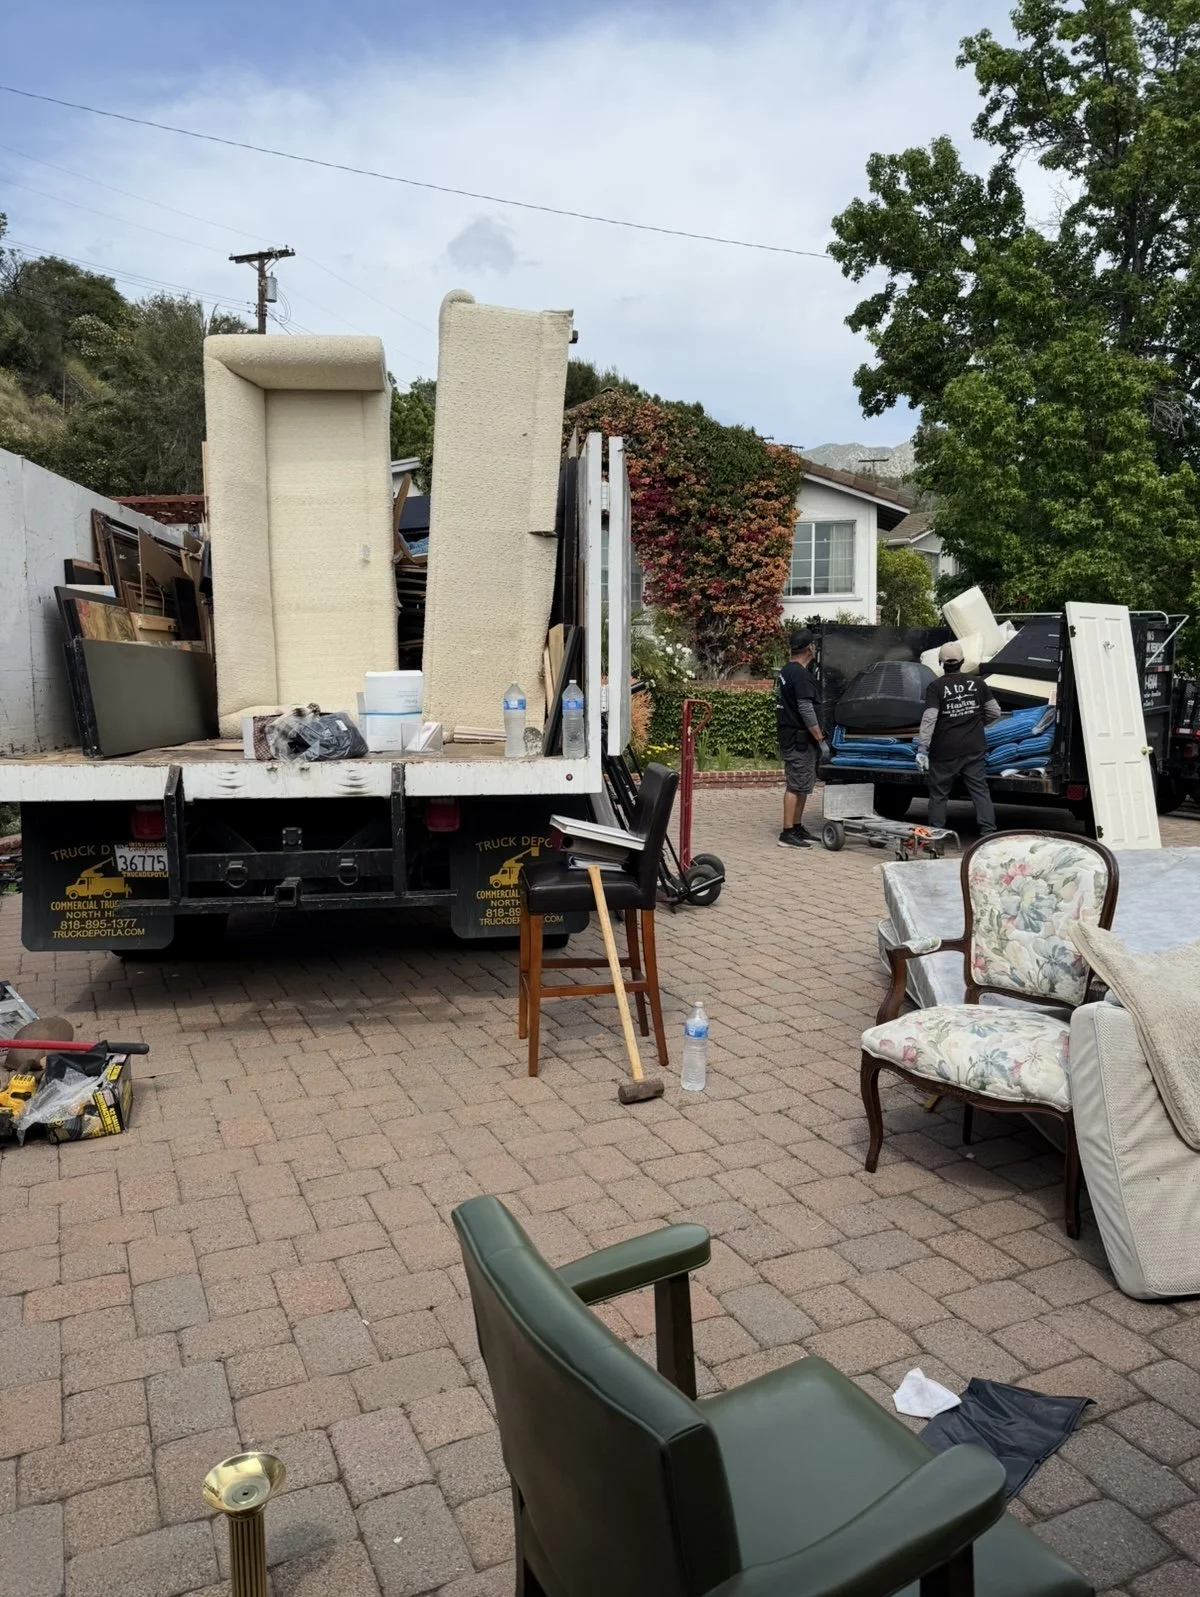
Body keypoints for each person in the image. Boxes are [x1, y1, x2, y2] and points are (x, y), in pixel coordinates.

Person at [917, 640, 1003, 835]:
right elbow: (995, 712)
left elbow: (930, 718)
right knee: (980, 791)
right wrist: (976, 723)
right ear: (962, 661)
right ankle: (988, 833)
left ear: (941, 663)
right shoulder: (978, 683)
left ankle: (936, 838)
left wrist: (922, 748)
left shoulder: (935, 687)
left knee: (939, 795)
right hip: (974, 748)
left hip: (944, 751)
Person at [775, 629, 830, 847]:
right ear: (809, 648)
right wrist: (819, 736)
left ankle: (797, 827)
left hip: (791, 737)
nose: (815, 648)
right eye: (814, 645)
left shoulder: (787, 671)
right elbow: (805, 708)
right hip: (798, 739)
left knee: (803, 783)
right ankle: (787, 832)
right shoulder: (800, 675)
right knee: (795, 785)